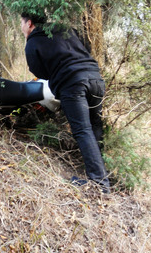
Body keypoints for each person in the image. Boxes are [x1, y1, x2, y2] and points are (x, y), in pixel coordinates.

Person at [20, 13, 110, 193]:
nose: (21, 27)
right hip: (96, 79)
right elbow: (85, 46)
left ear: (29, 23)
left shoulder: (33, 41)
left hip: (72, 84)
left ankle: (100, 183)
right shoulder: (65, 28)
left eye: (21, 23)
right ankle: (103, 173)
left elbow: (38, 71)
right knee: (95, 124)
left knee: (83, 130)